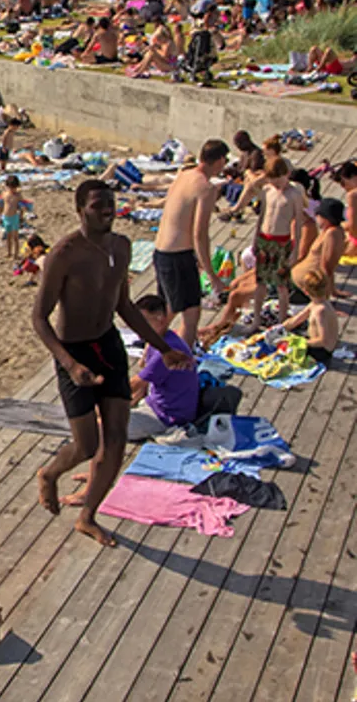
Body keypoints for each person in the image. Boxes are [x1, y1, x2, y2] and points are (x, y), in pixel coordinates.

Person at [32, 179, 192, 547]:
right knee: (86, 445)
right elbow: (39, 318)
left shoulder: (122, 246)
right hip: (74, 351)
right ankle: (50, 473)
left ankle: (87, 516)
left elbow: (124, 305)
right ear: (80, 211)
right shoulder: (65, 254)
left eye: (110, 202)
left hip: (108, 345)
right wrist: (70, 365)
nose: (107, 209)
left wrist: (162, 348)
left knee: (117, 438)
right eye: (97, 204)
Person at [152, 139, 229, 347]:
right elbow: (199, 234)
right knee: (190, 314)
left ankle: (148, 355)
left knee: (170, 309)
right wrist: (211, 274)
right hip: (178, 256)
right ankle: (183, 361)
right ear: (220, 160)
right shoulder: (206, 188)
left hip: (161, 252)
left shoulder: (184, 175)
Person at [129, 295, 241, 426]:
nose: (137, 327)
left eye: (143, 322)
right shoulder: (161, 339)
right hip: (157, 403)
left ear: (160, 319)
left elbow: (135, 384)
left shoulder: (167, 351)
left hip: (169, 416)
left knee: (111, 426)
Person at [250, 156, 305, 332]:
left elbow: (298, 223)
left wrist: (295, 250)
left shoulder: (294, 194)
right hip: (264, 239)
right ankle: (256, 318)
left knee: (282, 285)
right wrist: (255, 239)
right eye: (272, 179)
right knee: (260, 282)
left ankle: (282, 322)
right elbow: (262, 216)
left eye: (278, 179)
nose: (275, 183)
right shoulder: (267, 190)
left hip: (282, 241)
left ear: (286, 174)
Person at [283, 268, 339, 367]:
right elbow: (297, 320)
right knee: (285, 338)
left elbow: (323, 340)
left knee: (285, 350)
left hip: (321, 351)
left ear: (305, 292)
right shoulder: (315, 304)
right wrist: (280, 328)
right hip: (314, 342)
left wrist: (301, 342)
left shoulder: (320, 311)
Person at [1, 176, 23, 264]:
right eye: (10, 187)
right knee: (8, 236)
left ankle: (16, 254)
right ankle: (9, 252)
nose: (12, 189)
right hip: (6, 217)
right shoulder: (5, 194)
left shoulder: (18, 196)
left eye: (13, 187)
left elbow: (22, 206)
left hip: (14, 217)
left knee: (15, 237)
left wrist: (21, 216)